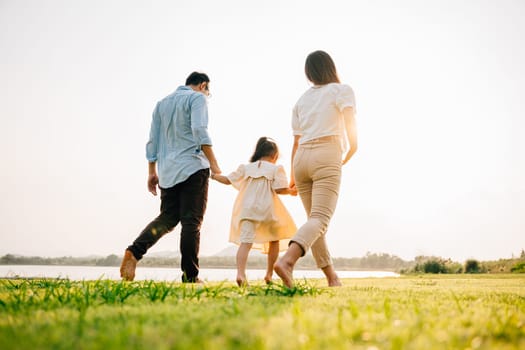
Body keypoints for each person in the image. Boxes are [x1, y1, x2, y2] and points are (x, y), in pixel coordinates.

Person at [120, 71, 221, 283]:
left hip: (167, 171)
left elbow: (152, 140)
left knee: (167, 219)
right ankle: (190, 277)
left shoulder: (161, 104)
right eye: (208, 91)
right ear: (203, 85)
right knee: (191, 223)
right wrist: (214, 164)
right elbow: (199, 130)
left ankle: (134, 252)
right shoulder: (197, 98)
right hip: (193, 167)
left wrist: (151, 172)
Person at [274, 50, 358, 288]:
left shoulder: (301, 100)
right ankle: (287, 261)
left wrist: (292, 175)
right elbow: (350, 121)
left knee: (315, 221)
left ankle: (332, 278)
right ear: (331, 67)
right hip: (327, 152)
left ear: (308, 73)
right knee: (321, 219)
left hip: (301, 159)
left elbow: (296, 141)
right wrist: (353, 147)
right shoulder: (342, 90)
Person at [211, 137, 297, 286]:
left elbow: (227, 180)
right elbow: (279, 189)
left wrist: (213, 176)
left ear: (258, 152)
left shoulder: (245, 168)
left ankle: (240, 274)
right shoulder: (276, 168)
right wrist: (291, 191)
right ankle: (269, 274)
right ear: (274, 155)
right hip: (268, 210)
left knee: (246, 243)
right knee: (274, 240)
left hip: (246, 210)